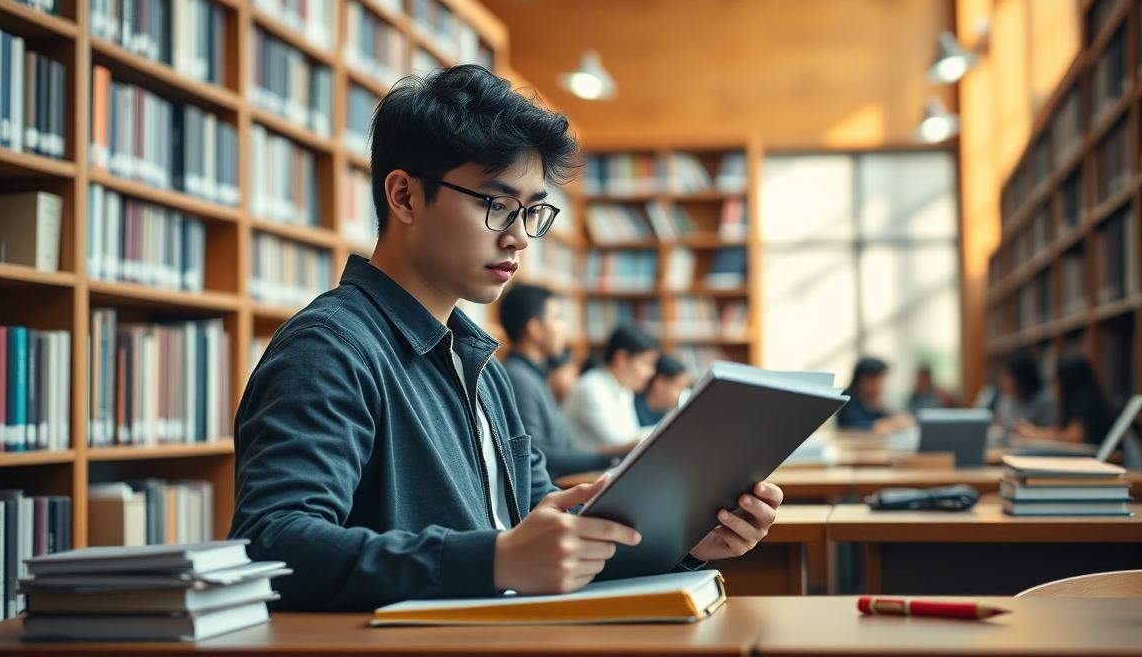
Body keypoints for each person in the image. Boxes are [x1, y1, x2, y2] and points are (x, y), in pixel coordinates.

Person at [229, 65, 782, 611]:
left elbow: (537, 541)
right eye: (496, 205)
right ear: (404, 197)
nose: (519, 237)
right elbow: (272, 544)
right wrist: (493, 560)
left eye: (531, 211)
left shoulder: (483, 369)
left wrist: (677, 539)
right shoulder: (330, 349)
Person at [498, 283, 628, 480]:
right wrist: (609, 457)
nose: (564, 329)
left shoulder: (533, 376)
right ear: (534, 328)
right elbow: (537, 452)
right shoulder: (520, 378)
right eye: (558, 318)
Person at [563, 325, 659, 449]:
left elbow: (632, 435)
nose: (651, 372)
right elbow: (621, 443)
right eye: (646, 363)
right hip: (583, 467)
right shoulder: (591, 388)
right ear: (621, 358)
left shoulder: (624, 389)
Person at [1016, 354, 1114, 445]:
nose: (1054, 387)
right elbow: (1059, 431)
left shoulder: (1087, 402)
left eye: (1057, 381)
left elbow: (1071, 437)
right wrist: (1034, 430)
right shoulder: (1074, 401)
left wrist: (1034, 433)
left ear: (1068, 383)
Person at [994, 349, 1057, 431]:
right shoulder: (1006, 399)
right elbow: (1000, 424)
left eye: (1008, 378)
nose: (1002, 383)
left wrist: (1031, 430)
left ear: (1021, 378)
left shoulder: (1044, 399)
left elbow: (1052, 431)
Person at [634, 354, 692, 427]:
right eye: (679, 387)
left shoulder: (663, 415)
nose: (682, 394)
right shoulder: (631, 407)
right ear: (659, 383)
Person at [835, 357, 892, 429]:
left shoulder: (873, 399)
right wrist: (877, 425)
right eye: (879, 380)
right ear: (865, 379)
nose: (882, 385)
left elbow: (888, 419)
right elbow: (849, 425)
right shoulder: (847, 397)